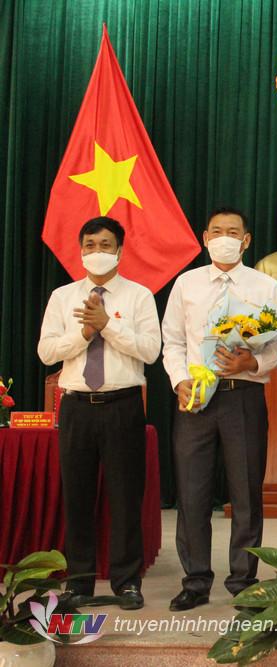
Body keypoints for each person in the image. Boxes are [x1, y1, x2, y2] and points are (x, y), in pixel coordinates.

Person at [161, 208, 277, 611]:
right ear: (205, 238)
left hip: (242, 397)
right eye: (217, 232)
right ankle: (195, 581)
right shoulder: (187, 283)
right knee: (192, 492)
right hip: (195, 398)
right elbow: (172, 341)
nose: (224, 238)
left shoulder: (267, 286)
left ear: (246, 240)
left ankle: (244, 582)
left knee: (246, 492)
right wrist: (179, 381)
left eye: (233, 232)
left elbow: (276, 348)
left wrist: (252, 362)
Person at [38, 216, 160, 611]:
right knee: (77, 497)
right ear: (80, 251)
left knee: (126, 497)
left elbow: (150, 351)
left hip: (123, 405)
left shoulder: (139, 296)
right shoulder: (62, 296)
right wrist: (85, 333)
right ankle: (79, 583)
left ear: (120, 251)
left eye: (105, 245)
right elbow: (46, 352)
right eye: (90, 245)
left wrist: (107, 325)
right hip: (76, 406)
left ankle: (127, 583)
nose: (97, 251)